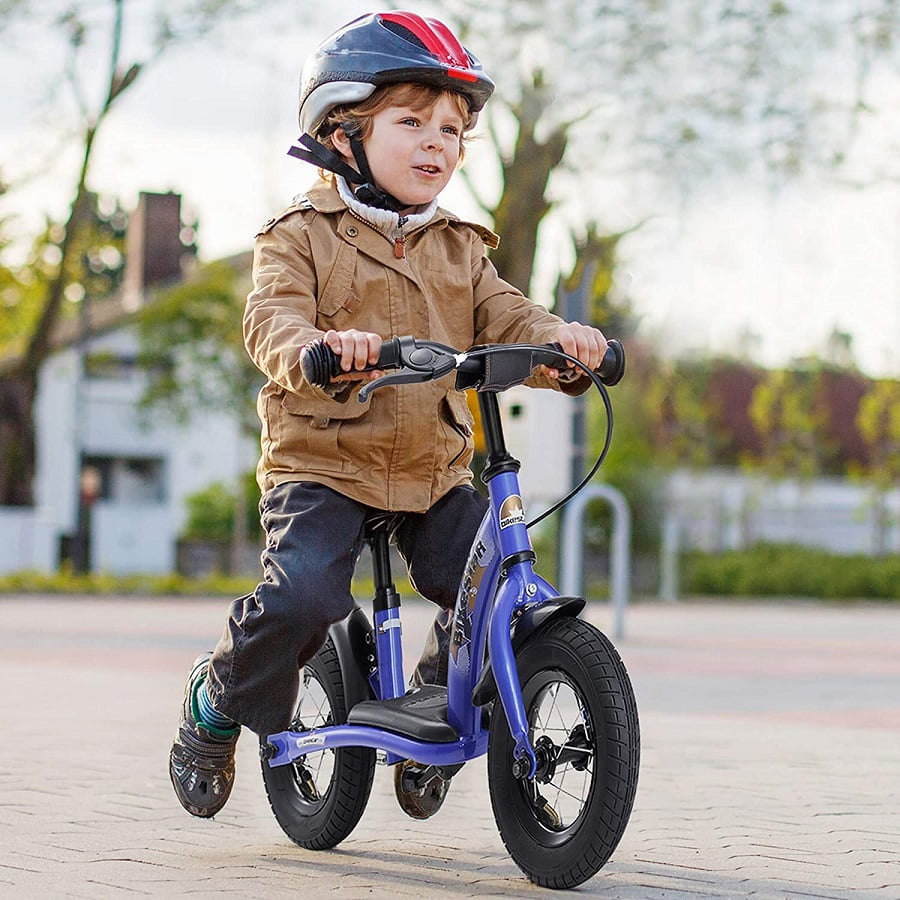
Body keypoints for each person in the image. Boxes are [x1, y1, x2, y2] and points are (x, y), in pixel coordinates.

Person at [169, 10, 608, 820]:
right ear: (344, 133)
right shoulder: (299, 235)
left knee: (495, 584)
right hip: (324, 465)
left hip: (429, 469)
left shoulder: (460, 247)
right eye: (411, 122)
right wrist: (317, 350)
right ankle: (215, 699)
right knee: (303, 597)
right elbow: (272, 318)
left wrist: (562, 342)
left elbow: (509, 316)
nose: (437, 142)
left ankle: (441, 700)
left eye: (453, 130)